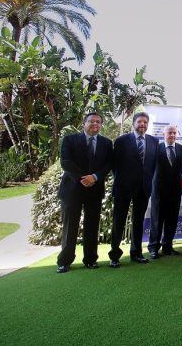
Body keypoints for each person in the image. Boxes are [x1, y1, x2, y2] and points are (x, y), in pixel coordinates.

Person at [56, 112, 113, 273]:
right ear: (84, 123)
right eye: (91, 121)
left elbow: (109, 164)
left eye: (98, 122)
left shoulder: (107, 143)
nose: (95, 124)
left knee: (92, 226)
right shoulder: (70, 140)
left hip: (94, 190)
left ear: (101, 125)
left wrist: (94, 177)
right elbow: (65, 162)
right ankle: (64, 261)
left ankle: (90, 259)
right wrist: (84, 178)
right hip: (72, 190)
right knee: (70, 227)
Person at [109, 112, 159, 267]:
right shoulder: (121, 141)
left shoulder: (154, 141)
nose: (142, 124)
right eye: (139, 121)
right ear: (133, 123)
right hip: (123, 188)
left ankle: (136, 253)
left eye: (145, 122)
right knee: (119, 222)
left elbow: (152, 165)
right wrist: (122, 180)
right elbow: (114, 165)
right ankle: (115, 256)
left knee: (139, 222)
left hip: (143, 188)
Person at [148, 124, 182, 258]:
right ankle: (153, 248)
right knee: (157, 220)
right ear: (164, 134)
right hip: (158, 191)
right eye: (170, 133)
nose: (172, 135)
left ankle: (167, 247)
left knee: (172, 220)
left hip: (175, 192)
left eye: (175, 133)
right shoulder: (156, 148)